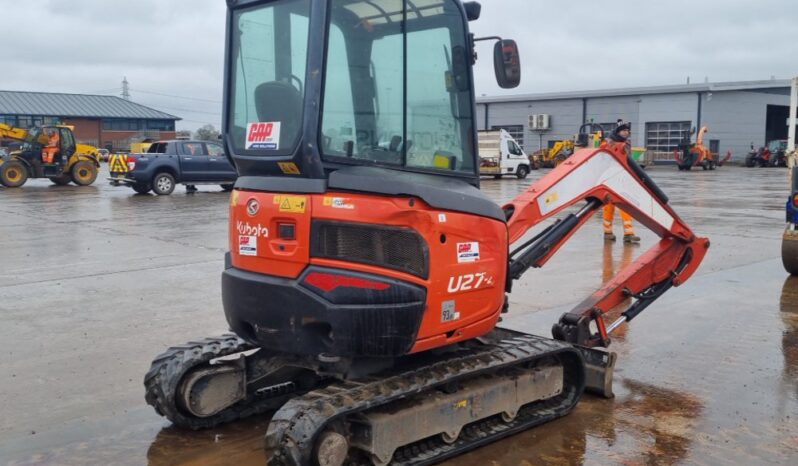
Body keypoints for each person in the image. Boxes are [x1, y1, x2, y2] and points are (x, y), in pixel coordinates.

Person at [602, 120, 640, 244]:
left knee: (625, 205)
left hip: (623, 179)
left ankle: (628, 234)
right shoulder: (608, 143)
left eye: (628, 131)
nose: (626, 133)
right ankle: (607, 232)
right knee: (609, 207)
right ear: (618, 131)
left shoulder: (626, 144)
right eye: (624, 130)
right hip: (610, 179)